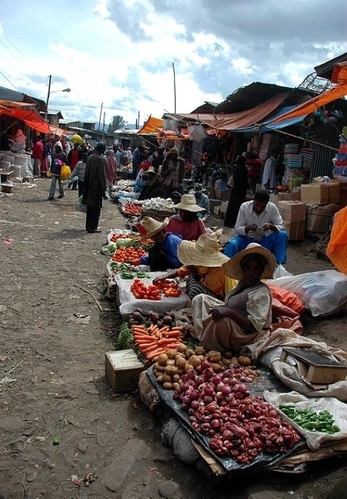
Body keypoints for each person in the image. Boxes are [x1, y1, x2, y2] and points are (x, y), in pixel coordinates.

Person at [191, 243, 275, 353]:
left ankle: (211, 346)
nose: (251, 273)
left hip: (247, 334)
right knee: (200, 299)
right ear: (242, 269)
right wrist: (224, 309)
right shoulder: (242, 284)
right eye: (248, 268)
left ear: (261, 271)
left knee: (221, 321)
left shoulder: (261, 293)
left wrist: (229, 312)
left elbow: (253, 327)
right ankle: (202, 334)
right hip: (234, 320)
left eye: (256, 269)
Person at [153, 232, 233, 300]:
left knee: (196, 290)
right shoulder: (199, 262)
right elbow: (180, 271)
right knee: (191, 276)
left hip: (220, 297)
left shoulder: (218, 269)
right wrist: (164, 276)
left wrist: (194, 272)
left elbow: (209, 288)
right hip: (206, 285)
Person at [223, 190, 288, 265]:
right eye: (256, 205)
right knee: (232, 244)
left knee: (282, 235)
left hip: (265, 241)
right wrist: (247, 228)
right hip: (247, 240)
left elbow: (281, 227)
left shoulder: (272, 207)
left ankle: (278, 265)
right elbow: (237, 228)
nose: (259, 209)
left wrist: (272, 227)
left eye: (262, 207)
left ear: (267, 204)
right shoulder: (244, 207)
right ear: (253, 201)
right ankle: (227, 267)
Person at [82, 142, 107, 233]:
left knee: (89, 207)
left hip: (89, 185)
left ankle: (88, 226)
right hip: (96, 187)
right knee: (96, 208)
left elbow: (86, 172)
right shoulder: (100, 159)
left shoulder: (90, 157)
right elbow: (101, 175)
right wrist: (104, 190)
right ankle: (93, 227)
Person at [224, 154, 248, 228]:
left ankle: (228, 221)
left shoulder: (236, 168)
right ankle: (232, 221)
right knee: (236, 207)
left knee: (232, 206)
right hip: (239, 190)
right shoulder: (241, 168)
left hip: (236, 189)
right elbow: (242, 180)